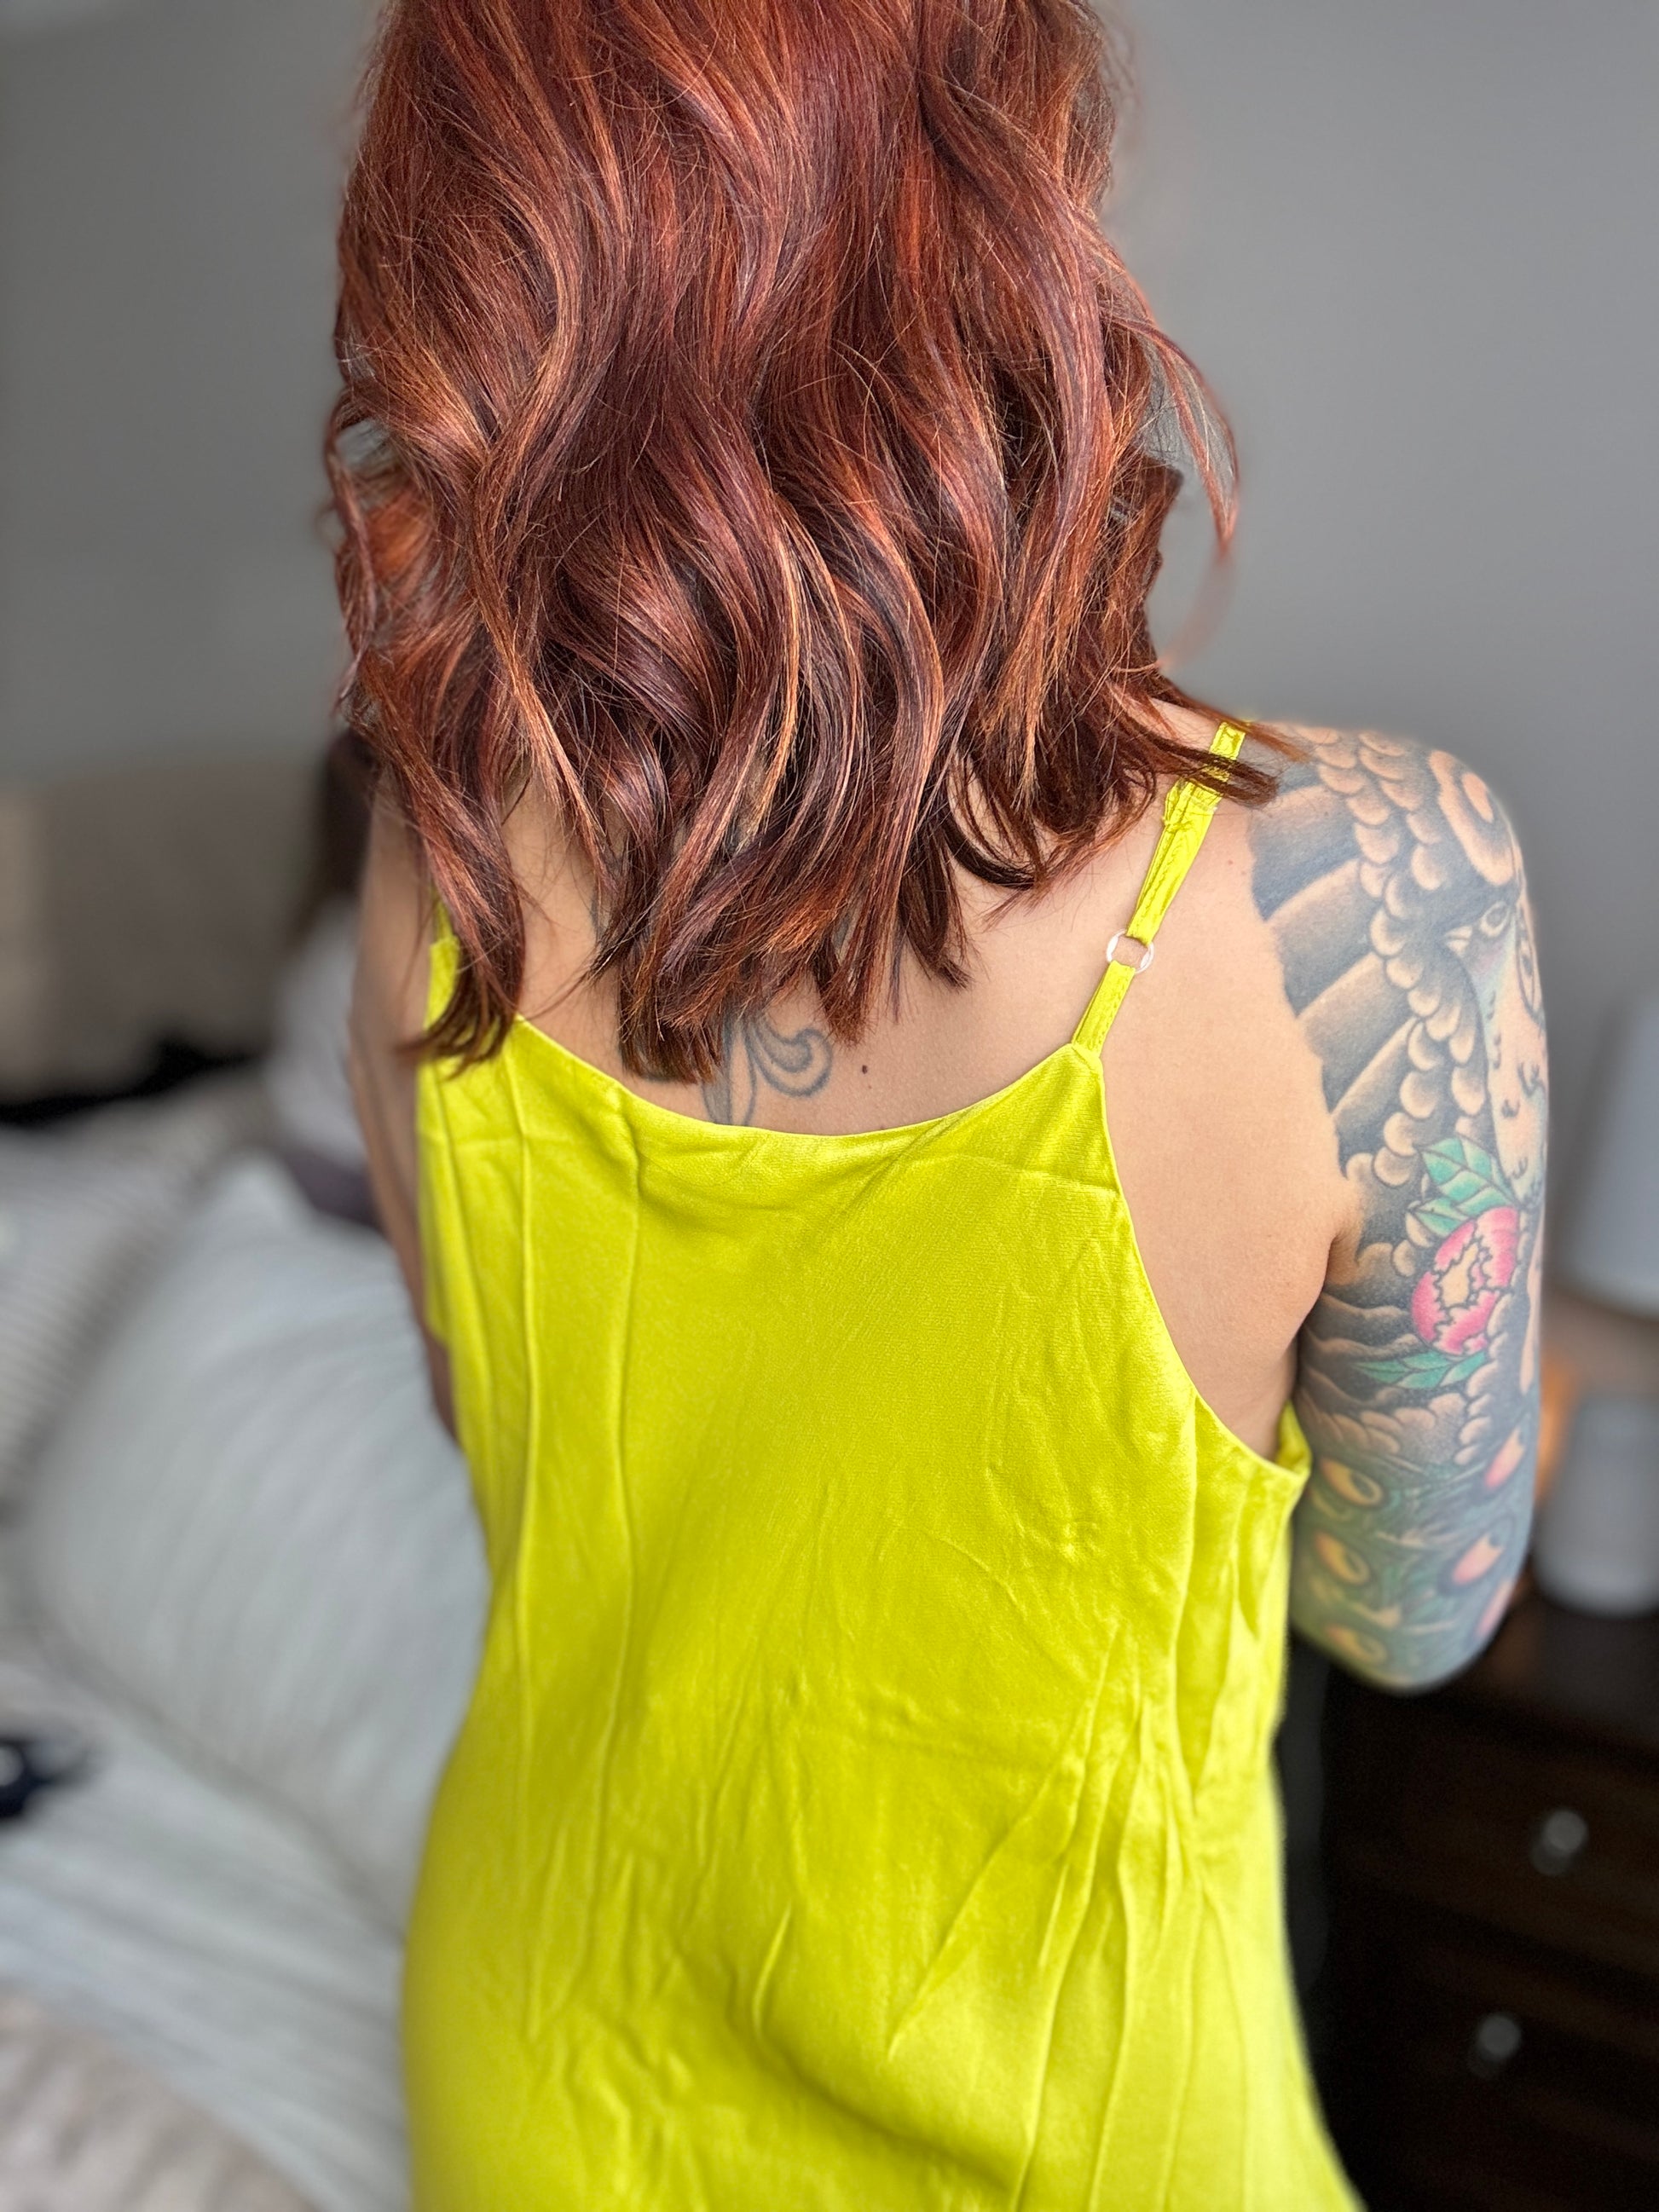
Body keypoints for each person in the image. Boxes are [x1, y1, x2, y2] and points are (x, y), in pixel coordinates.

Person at [338, 3, 1546, 2204]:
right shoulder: (1372, 895)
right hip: (1089, 2132)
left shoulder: (444, 853)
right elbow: (1412, 1615)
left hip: (550, 2074)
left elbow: (484, 1413)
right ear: (1003, 220)